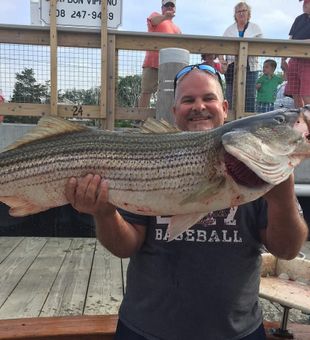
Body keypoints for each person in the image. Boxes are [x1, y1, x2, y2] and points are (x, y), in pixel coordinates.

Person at [65, 64, 308, 340]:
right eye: (188, 100)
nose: (199, 106)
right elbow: (125, 246)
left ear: (225, 107)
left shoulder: (255, 163)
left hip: (236, 332)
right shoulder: (150, 157)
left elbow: (287, 250)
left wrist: (283, 199)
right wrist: (105, 214)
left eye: (209, 98)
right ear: (174, 111)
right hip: (146, 330)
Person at [138, 0, 181, 108]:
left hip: (169, 65)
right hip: (152, 62)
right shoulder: (156, 15)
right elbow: (153, 21)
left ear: (175, 9)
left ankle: (165, 120)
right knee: (146, 91)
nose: (170, 7)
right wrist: (165, 17)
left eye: (172, 5)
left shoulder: (178, 29)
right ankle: (140, 120)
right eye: (167, 5)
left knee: (169, 93)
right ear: (162, 8)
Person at [222, 2, 263, 112]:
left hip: (251, 67)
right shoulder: (229, 30)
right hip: (232, 67)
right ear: (235, 15)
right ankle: (229, 121)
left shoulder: (256, 28)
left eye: (243, 11)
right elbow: (221, 47)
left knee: (249, 96)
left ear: (248, 13)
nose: (241, 13)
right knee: (230, 94)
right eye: (238, 11)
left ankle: (248, 122)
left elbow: (261, 47)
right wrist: (222, 63)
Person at [281, 0, 310, 108]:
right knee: (295, 94)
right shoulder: (299, 19)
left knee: (307, 95)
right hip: (294, 59)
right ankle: (302, 121)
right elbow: (290, 39)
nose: (304, 4)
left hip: (308, 60)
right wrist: (284, 58)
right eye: (304, 2)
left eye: (307, 2)